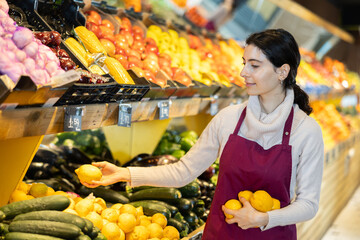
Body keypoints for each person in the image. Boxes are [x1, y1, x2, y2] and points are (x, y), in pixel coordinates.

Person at [83, 29, 324, 239]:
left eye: (255, 65)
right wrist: (124, 174)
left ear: (282, 71)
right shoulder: (229, 119)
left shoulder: (305, 131)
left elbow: (309, 205)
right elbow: (183, 171)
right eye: (244, 63)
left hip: (272, 236)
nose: (243, 73)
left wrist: (263, 218)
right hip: (221, 234)